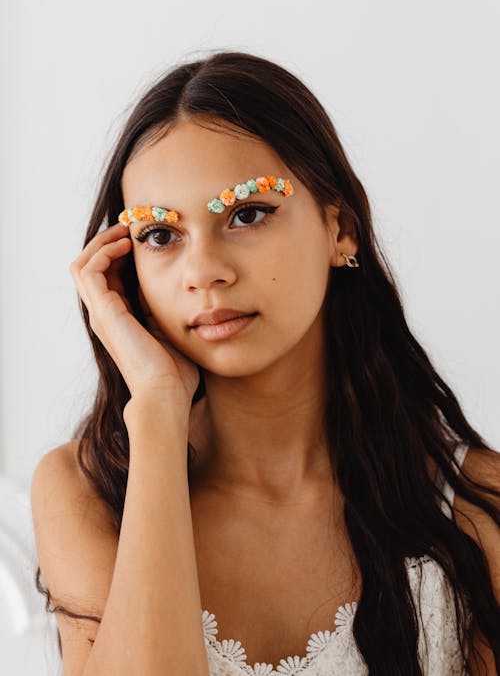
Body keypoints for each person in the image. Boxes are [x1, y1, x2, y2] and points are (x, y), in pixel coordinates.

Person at [30, 50, 500, 676]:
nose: (204, 273)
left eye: (247, 213)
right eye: (161, 235)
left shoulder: (473, 503)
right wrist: (157, 411)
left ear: (341, 229)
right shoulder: (85, 493)